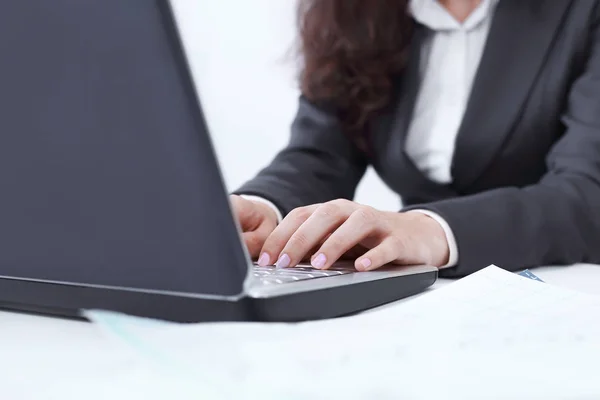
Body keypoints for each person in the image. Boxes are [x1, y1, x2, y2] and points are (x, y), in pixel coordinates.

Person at [230, 0, 600, 277]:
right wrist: (263, 207)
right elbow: (321, 154)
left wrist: (429, 230)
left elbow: (586, 191)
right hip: (422, 296)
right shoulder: (351, 11)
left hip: (561, 284)